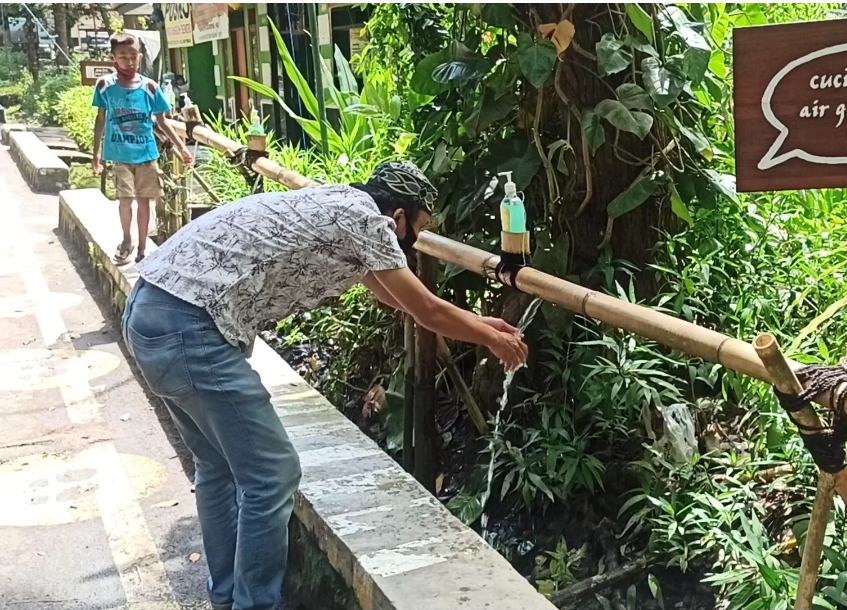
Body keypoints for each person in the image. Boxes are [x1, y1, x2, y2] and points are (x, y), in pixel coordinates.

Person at [122, 161, 528, 610]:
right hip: (189, 328)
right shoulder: (369, 223)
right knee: (272, 475)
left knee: (219, 468)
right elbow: (427, 311)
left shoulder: (340, 203)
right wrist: (491, 338)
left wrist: (477, 323)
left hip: (151, 309)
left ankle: (227, 599)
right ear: (398, 219)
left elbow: (396, 297)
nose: (414, 244)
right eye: (418, 229)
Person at [91, 31, 194, 265]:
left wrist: (182, 149)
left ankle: (143, 248)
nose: (129, 61)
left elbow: (163, 121)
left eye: (133, 56)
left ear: (139, 57)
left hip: (146, 155)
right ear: (112, 58)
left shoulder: (150, 87)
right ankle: (127, 240)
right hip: (119, 154)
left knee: (145, 200)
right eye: (123, 56)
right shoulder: (105, 86)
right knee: (125, 200)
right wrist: (95, 153)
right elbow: (100, 119)